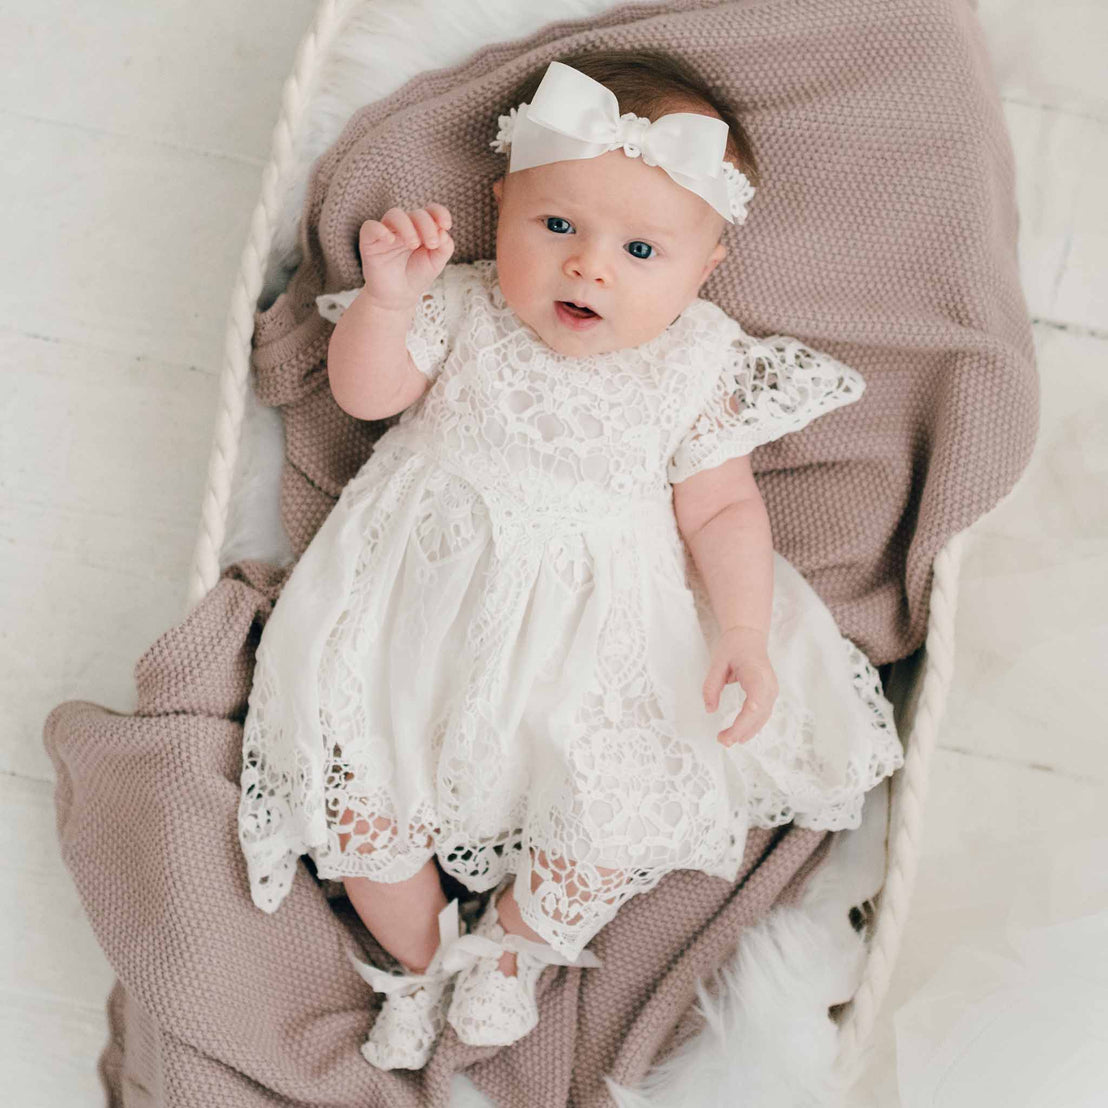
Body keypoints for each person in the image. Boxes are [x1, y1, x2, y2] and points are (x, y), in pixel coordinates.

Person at [236, 52, 903, 1070]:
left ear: (704, 267)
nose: (590, 266)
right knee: (351, 785)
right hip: (412, 625)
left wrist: (738, 632)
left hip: (594, 640)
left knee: (617, 807)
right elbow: (366, 397)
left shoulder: (691, 363)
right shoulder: (459, 308)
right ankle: (419, 962)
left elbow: (723, 506)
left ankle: (512, 946)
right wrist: (383, 300)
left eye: (641, 248)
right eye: (557, 228)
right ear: (500, 208)